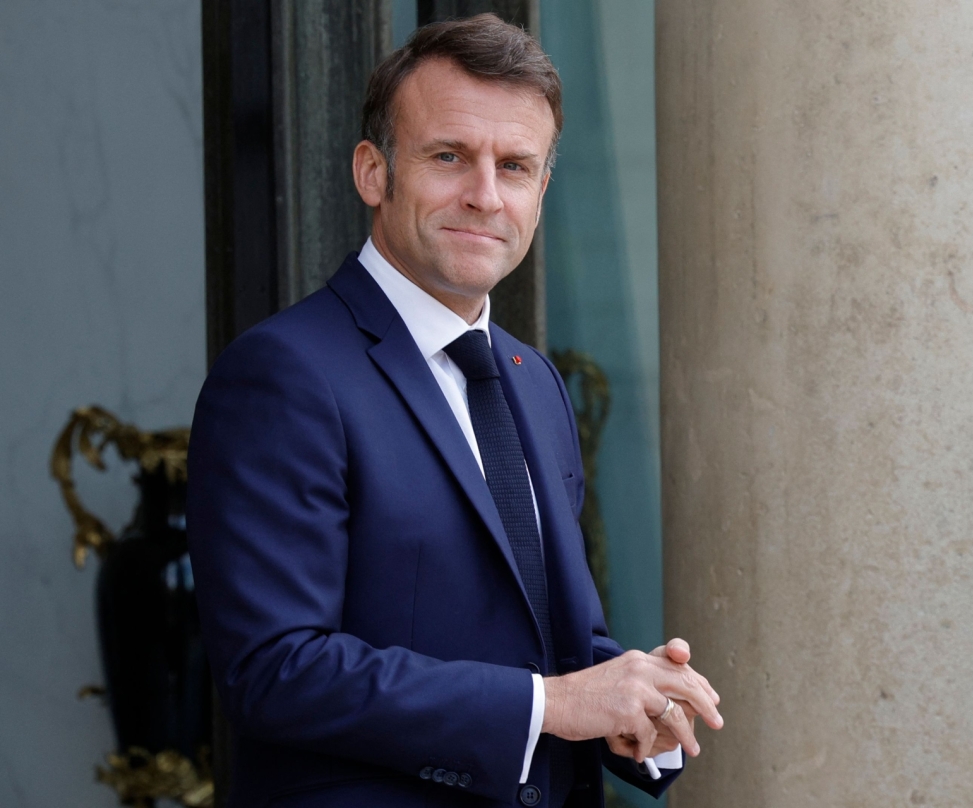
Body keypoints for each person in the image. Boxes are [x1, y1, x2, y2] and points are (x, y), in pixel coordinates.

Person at [187, 14, 722, 808]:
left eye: (515, 167)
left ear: (541, 193)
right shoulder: (282, 375)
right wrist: (549, 706)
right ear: (374, 172)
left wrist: (639, 701)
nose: (484, 195)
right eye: (449, 157)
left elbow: (556, 641)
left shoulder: (534, 381)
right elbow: (275, 669)